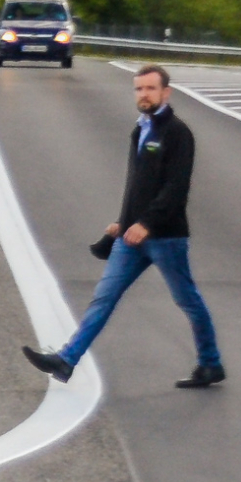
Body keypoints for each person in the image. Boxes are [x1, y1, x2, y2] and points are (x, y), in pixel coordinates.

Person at [24, 63, 224, 389]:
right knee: (104, 298)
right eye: (139, 89)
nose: (144, 94)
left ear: (165, 92)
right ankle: (65, 360)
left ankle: (210, 364)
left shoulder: (177, 132)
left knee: (188, 300)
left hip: (166, 237)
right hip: (132, 236)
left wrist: (146, 223)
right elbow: (137, 186)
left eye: (150, 88)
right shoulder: (140, 129)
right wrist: (124, 220)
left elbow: (176, 188)